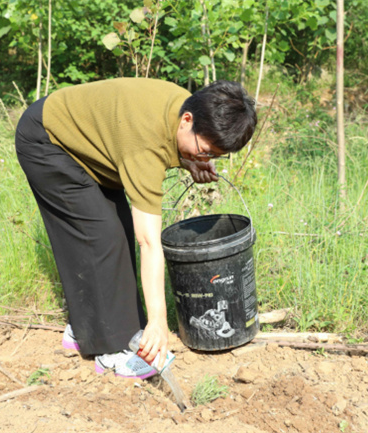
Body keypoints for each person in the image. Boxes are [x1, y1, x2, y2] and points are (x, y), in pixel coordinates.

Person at [15, 78, 257, 379]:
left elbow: (165, 145)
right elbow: (149, 242)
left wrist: (189, 160)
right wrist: (158, 321)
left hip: (89, 146)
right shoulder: (146, 143)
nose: (206, 159)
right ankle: (112, 350)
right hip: (48, 141)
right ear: (187, 120)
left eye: (214, 156)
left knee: (114, 231)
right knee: (102, 236)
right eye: (205, 151)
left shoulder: (192, 109)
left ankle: (84, 327)